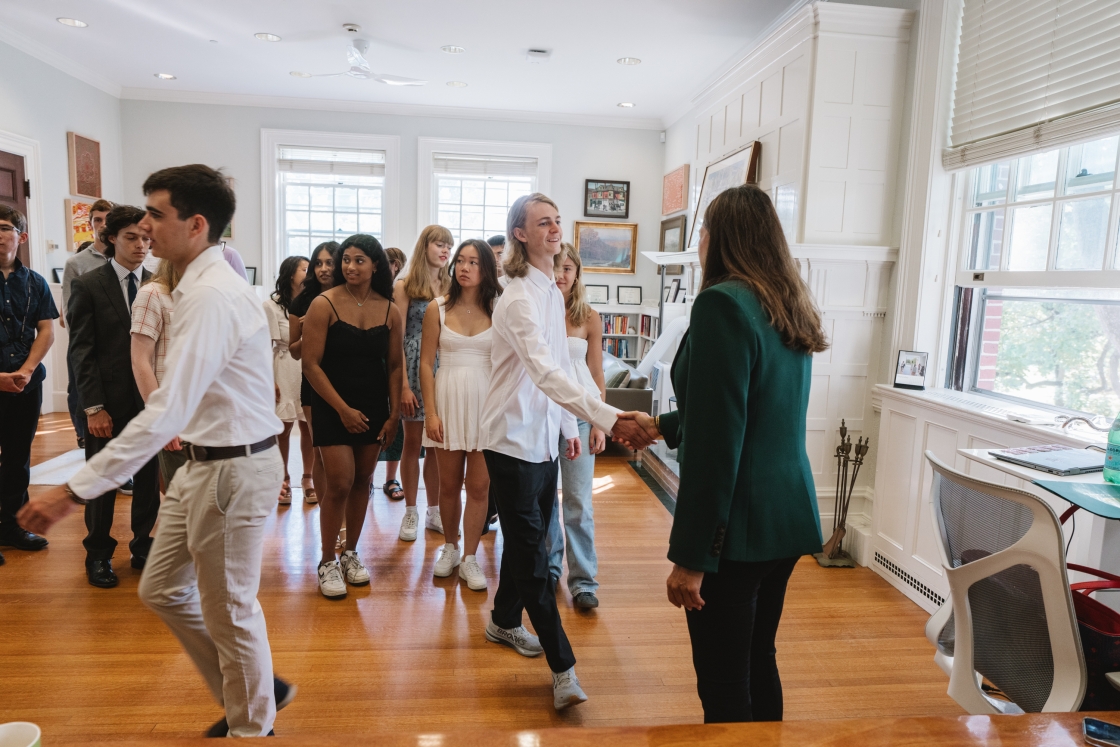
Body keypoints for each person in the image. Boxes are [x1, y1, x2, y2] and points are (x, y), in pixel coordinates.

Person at [19, 164, 295, 737]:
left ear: (195, 225)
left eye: (156, 215)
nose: (144, 225)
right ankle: (257, 687)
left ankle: (252, 724)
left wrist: (74, 490)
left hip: (232, 469)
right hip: (202, 462)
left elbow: (167, 408)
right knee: (162, 587)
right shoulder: (189, 289)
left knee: (232, 610)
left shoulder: (212, 297)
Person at [633, 185, 828, 724]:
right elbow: (758, 409)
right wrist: (663, 425)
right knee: (757, 658)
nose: (700, 241)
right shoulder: (786, 302)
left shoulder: (721, 302)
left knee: (723, 683)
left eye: (704, 231)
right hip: (785, 517)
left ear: (720, 239)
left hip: (736, 531)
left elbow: (720, 447)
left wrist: (692, 557)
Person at [478, 193, 653, 710]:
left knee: (527, 536)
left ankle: (504, 620)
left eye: (557, 222)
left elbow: (556, 372)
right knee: (533, 553)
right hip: (509, 443)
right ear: (520, 235)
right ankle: (563, 668)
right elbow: (544, 371)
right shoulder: (516, 299)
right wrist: (604, 415)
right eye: (543, 223)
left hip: (543, 440)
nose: (555, 229)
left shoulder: (554, 295)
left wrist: (566, 425)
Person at [301, 235, 402, 599]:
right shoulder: (323, 304)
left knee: (364, 481)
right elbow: (310, 364)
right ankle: (327, 559)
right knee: (340, 482)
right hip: (332, 404)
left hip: (373, 406)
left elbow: (394, 366)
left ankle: (350, 554)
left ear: (376, 265)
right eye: (346, 260)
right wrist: (342, 410)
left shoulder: (390, 309)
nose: (349, 267)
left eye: (359, 260)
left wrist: (392, 416)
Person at [68, 205, 160, 588]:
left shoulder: (159, 284)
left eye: (145, 238)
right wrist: (93, 407)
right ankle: (99, 554)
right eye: (131, 237)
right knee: (104, 482)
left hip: (151, 401)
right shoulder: (89, 284)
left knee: (148, 480)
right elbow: (81, 351)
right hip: (107, 401)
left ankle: (142, 547)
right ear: (111, 238)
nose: (141, 245)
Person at [419, 238, 501, 591]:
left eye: (473, 262)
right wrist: (430, 414)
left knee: (480, 487)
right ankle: (449, 548)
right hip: (447, 400)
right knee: (449, 485)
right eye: (461, 261)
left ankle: (470, 557)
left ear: (486, 270)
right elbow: (424, 363)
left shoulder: (500, 308)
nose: (464, 268)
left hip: (487, 404)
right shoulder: (436, 308)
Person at [547, 243, 606, 609]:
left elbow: (597, 373)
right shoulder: (536, 312)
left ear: (577, 273)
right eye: (555, 267)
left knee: (578, 502)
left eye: (568, 268)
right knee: (544, 501)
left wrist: (600, 420)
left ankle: (584, 581)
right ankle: (551, 567)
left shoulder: (589, 317)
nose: (561, 274)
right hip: (542, 414)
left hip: (582, 415)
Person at [0, 206, 57, 566]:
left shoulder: (35, 281)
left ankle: (12, 526)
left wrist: (26, 370)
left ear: (20, 237)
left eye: (4, 227)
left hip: (26, 383)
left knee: (18, 457)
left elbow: (47, 330)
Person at [393, 225, 452, 541]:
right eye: (439, 244)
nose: (445, 250)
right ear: (424, 247)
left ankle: (434, 511)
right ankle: (411, 512)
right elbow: (397, 339)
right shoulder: (404, 286)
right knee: (412, 443)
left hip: (444, 368)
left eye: (448, 246)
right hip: (413, 368)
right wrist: (402, 385)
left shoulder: (451, 285)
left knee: (437, 445)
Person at [130, 258, 187, 490]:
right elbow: (140, 360)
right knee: (185, 504)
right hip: (175, 413)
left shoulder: (208, 296)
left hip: (213, 416)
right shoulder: (152, 294)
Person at [61, 198, 114, 449]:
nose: (102, 225)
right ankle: (83, 435)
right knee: (80, 391)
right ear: (90, 224)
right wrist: (80, 347)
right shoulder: (77, 263)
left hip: (118, 344)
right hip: (86, 342)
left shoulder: (125, 258)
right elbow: (71, 312)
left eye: (107, 219)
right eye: (97, 220)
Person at [289, 242, 338, 505]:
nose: (323, 269)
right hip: (313, 383)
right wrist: (311, 328)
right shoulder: (301, 301)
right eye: (318, 263)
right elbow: (295, 351)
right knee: (319, 450)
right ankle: (326, 509)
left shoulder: (349, 296)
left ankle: (342, 507)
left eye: (329, 262)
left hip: (346, 381)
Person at [265, 255, 310, 505]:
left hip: (308, 364)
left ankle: (308, 478)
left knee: (309, 427)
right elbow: (263, 346)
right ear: (290, 274)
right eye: (304, 268)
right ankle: (282, 478)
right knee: (283, 428)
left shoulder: (312, 302)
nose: (309, 271)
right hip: (283, 365)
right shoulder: (271, 305)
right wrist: (269, 380)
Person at [377, 246, 408, 501]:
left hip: (396, 358)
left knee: (395, 418)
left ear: (396, 265)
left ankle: (390, 478)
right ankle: (365, 478)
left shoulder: (401, 290)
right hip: (374, 360)